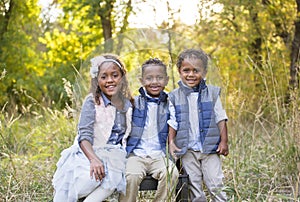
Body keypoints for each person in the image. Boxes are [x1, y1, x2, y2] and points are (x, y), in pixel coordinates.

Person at [52, 54, 133, 202]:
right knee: (86, 181)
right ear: (97, 80)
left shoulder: (128, 105)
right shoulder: (92, 101)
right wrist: (94, 159)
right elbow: (84, 135)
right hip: (90, 152)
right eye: (104, 77)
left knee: (113, 177)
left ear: (122, 77)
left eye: (115, 75)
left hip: (115, 155)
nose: (110, 80)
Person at [168, 48, 229, 202]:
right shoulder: (174, 96)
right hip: (188, 149)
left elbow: (220, 117)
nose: (191, 75)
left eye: (196, 71)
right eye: (186, 70)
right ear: (179, 71)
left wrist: (224, 141)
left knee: (216, 183)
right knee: (194, 186)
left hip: (210, 148)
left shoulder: (212, 93)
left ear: (204, 71)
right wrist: (171, 143)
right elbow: (172, 121)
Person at [119, 58, 179, 202]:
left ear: (166, 80)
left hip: (159, 155)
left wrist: (171, 143)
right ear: (141, 80)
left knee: (171, 173)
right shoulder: (133, 102)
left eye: (159, 78)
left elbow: (174, 122)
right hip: (136, 154)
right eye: (149, 78)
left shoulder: (170, 103)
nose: (154, 82)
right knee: (131, 177)